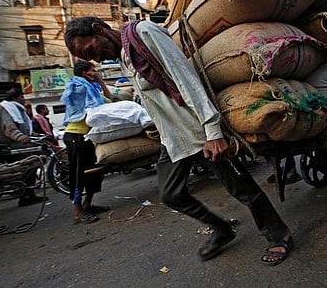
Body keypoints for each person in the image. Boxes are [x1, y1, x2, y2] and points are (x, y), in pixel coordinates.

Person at [64, 17, 294, 265]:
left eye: (90, 50)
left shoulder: (143, 33)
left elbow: (185, 78)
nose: (96, 59)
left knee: (241, 188)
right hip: (173, 138)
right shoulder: (123, 57)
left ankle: (278, 235)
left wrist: (212, 130)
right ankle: (222, 229)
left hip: (198, 130)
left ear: (99, 30)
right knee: (171, 194)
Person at [61, 61, 112, 224]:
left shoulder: (92, 89)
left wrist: (100, 82)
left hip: (88, 137)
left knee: (95, 172)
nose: (95, 73)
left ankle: (88, 204)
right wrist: (98, 82)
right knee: (79, 175)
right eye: (92, 71)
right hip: (76, 136)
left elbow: (109, 101)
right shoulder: (79, 87)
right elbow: (106, 101)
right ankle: (77, 211)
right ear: (84, 73)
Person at [0, 88, 48, 207]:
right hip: (14, 146)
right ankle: (24, 196)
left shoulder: (17, 109)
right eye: (21, 97)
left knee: (31, 169)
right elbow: (8, 127)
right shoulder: (7, 109)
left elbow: (25, 127)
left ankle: (31, 194)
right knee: (24, 171)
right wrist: (21, 137)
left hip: (24, 145)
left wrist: (34, 135)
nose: (23, 99)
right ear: (14, 98)